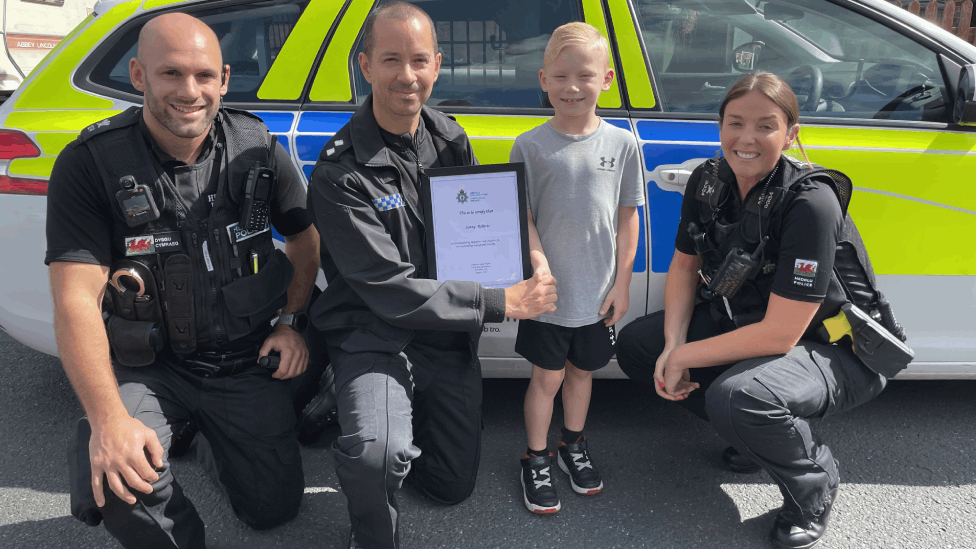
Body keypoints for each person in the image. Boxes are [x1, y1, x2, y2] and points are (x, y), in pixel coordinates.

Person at [45, 13, 319, 548]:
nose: (189, 91)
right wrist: (106, 420)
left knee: (272, 510)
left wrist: (290, 322)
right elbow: (75, 299)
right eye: (171, 73)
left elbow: (304, 240)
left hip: (242, 363)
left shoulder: (255, 146)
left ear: (224, 78)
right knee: (119, 478)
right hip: (151, 369)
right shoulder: (92, 163)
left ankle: (212, 439)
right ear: (139, 75)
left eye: (204, 75)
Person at [305, 3, 558, 548]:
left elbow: (474, 232)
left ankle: (380, 411)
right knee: (380, 454)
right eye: (391, 59)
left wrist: (527, 256)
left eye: (419, 60)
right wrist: (500, 301)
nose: (406, 75)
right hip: (374, 331)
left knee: (450, 486)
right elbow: (388, 290)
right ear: (365, 65)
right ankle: (370, 507)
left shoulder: (448, 137)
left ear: (438, 64)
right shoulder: (337, 171)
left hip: (441, 337)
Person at [615, 71, 888, 549]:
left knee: (739, 396)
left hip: (834, 349)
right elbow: (684, 266)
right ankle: (755, 438)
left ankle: (813, 483)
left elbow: (782, 334)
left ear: (791, 133)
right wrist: (674, 345)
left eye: (765, 125)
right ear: (719, 126)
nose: (747, 138)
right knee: (641, 347)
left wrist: (681, 359)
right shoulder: (709, 178)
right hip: (747, 325)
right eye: (735, 123)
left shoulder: (811, 203)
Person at [510, 22, 643, 514]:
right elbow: (522, 217)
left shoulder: (623, 145)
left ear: (606, 79)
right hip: (547, 296)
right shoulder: (528, 146)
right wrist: (539, 263)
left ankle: (573, 445)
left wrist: (622, 284)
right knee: (545, 378)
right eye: (560, 76)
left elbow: (627, 219)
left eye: (584, 76)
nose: (571, 87)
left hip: (596, 294)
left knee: (582, 374)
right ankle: (536, 455)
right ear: (543, 79)